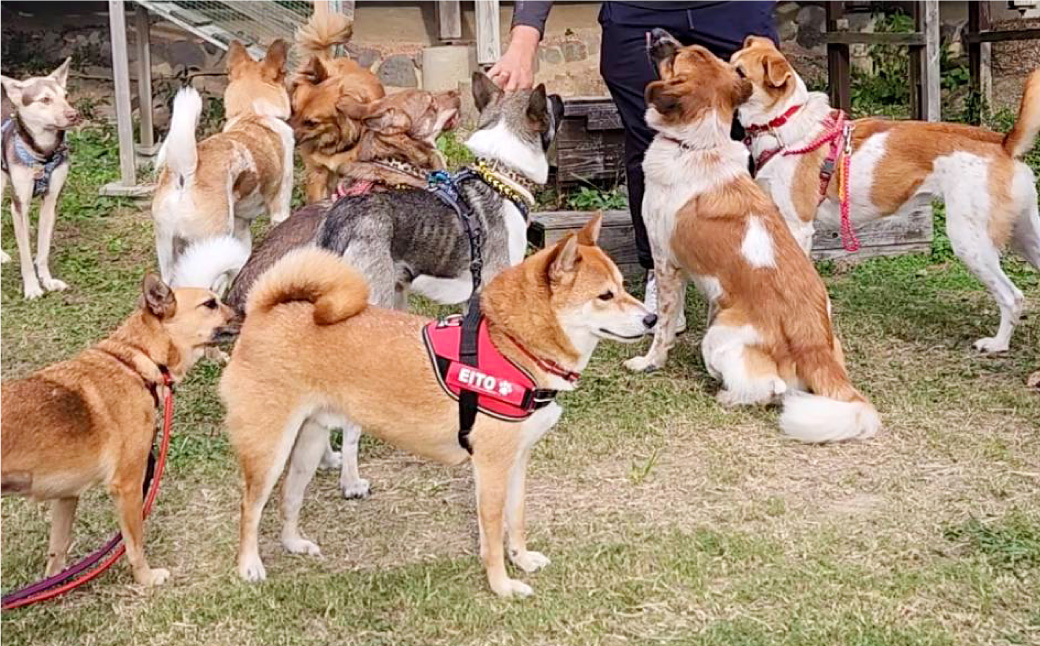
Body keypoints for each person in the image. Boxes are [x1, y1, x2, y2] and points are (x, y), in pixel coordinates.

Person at [489, 1, 777, 322]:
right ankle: (660, 271)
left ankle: (755, 270)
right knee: (651, 133)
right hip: (638, 11)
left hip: (732, 9)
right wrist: (523, 43)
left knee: (744, 132)